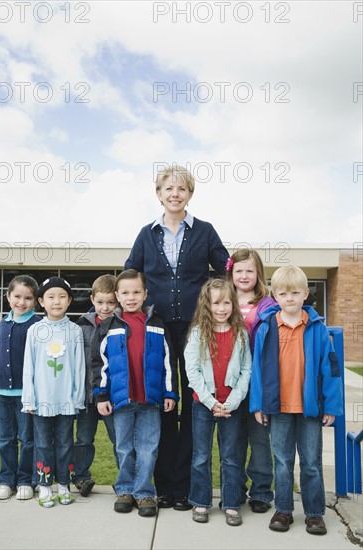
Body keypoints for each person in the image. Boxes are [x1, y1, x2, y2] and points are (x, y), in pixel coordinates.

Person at [125, 164, 229, 510]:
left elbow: (227, 271)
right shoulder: (146, 234)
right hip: (157, 331)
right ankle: (163, 485)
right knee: (164, 405)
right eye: (168, 188)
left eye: (181, 189)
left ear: (189, 194)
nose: (174, 194)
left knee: (194, 402)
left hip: (196, 330)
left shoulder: (205, 231)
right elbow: (130, 276)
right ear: (158, 194)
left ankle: (185, 487)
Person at [250, 266, 343, 535]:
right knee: (282, 461)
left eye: (294, 293)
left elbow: (331, 369)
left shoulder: (317, 328)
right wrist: (258, 404)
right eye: (283, 293)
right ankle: (283, 510)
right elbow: (258, 369)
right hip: (278, 407)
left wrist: (333, 407)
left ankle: (314, 513)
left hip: (310, 409)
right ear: (274, 296)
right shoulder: (267, 327)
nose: (289, 298)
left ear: (305, 294)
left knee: (311, 462)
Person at [92, 269, 178, 518]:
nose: (131, 297)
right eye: (126, 292)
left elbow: (168, 362)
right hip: (120, 400)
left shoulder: (157, 324)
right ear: (117, 295)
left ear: (145, 294)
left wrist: (170, 393)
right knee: (124, 447)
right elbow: (99, 363)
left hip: (150, 400)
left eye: (136, 292)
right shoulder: (109, 326)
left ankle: (144, 493)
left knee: (148, 447)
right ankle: (125, 490)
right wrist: (101, 395)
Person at [185, 278, 251, 526]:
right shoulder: (198, 333)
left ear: (233, 304)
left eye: (226, 303)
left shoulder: (241, 334)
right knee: (201, 455)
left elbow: (246, 370)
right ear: (207, 305)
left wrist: (232, 402)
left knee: (231, 456)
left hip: (231, 406)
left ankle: (232, 503)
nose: (222, 308)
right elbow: (192, 371)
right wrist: (210, 401)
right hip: (203, 405)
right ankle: (201, 501)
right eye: (216, 303)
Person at [22, 277, 85, 508]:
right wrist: (29, 397)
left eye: (62, 297)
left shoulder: (75, 330)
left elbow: (79, 367)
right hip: (42, 401)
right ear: (41, 301)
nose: (56, 302)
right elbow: (29, 366)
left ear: (69, 301)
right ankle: (45, 486)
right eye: (50, 297)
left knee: (66, 443)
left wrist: (77, 397)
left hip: (66, 400)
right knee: (43, 444)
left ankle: (63, 485)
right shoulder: (35, 330)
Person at [226, 248, 275, 512]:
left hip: (258, 382)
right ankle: (233, 489)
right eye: (239, 270)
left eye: (250, 271)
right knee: (232, 441)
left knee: (259, 440)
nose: (244, 276)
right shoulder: (222, 300)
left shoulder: (268, 305)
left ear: (259, 274)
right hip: (230, 384)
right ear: (230, 273)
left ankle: (261, 492)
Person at [0, 275, 41, 501]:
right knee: (6, 437)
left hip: (26, 393)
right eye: (17, 296)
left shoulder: (37, 324)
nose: (22, 302)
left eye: (28, 298)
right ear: (8, 297)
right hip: (1, 391)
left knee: (27, 438)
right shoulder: (4, 323)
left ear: (35, 301)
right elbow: (3, 346)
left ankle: (25, 479)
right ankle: (6, 480)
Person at [73, 274, 119, 497]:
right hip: (87, 394)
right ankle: (81, 477)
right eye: (100, 302)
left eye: (111, 302)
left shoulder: (122, 324)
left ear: (117, 300)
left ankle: (125, 480)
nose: (106, 307)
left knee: (119, 439)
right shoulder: (81, 326)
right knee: (83, 438)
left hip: (113, 396)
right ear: (92, 299)